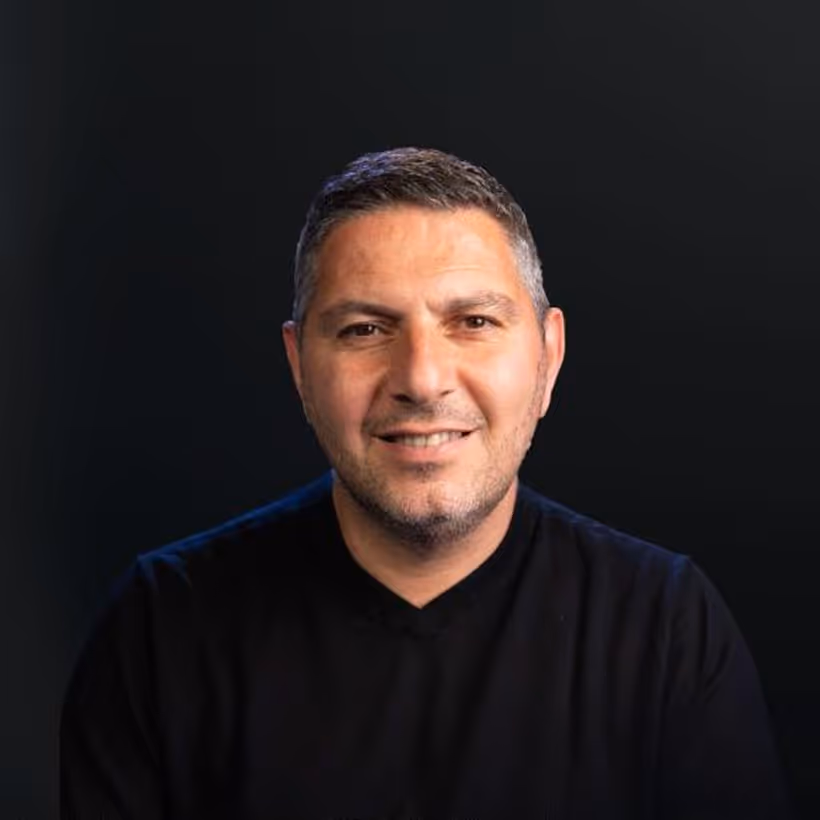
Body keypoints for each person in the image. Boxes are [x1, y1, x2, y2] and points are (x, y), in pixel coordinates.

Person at [60, 147, 792, 819]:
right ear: (298, 368)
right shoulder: (162, 630)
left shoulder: (664, 629)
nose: (421, 378)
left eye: (472, 321)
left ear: (548, 358)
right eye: (365, 330)